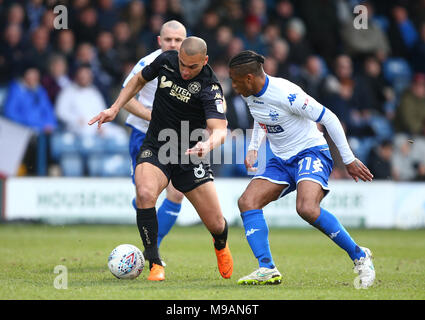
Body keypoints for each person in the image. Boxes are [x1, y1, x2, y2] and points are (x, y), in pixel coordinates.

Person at [89, 36, 233, 281]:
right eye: (183, 64)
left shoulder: (211, 87)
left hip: (190, 154)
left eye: (193, 67)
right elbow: (137, 80)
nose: (185, 71)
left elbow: (220, 129)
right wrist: (115, 108)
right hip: (157, 145)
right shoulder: (165, 60)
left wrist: (206, 145)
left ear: (205, 61)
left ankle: (220, 245)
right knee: (144, 193)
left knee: (216, 224)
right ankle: (155, 262)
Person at [228, 50, 375, 288]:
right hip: (281, 159)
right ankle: (266, 267)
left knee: (306, 208)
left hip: (311, 151)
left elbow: (330, 118)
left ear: (248, 78)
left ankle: (359, 255)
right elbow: (261, 116)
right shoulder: (249, 93)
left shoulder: (288, 94)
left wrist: (348, 160)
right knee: (247, 202)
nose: (232, 85)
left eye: (235, 80)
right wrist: (254, 147)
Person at [121, 20, 186, 260]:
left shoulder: (190, 65)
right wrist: (152, 116)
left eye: (178, 40)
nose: (173, 44)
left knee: (176, 193)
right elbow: (126, 97)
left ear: (185, 41)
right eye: (168, 39)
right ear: (160, 41)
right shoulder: (148, 63)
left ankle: (152, 249)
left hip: (174, 138)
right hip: (144, 134)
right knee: (147, 195)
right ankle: (142, 210)